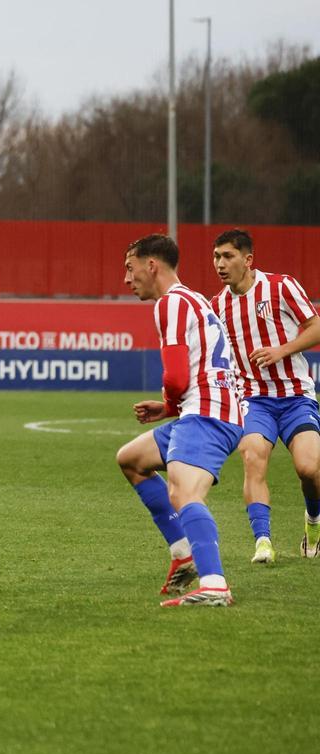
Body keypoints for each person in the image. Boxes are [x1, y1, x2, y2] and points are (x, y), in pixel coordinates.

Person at [115, 234, 243, 607]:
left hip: (207, 413)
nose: (127, 278)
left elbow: (174, 377)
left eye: (129, 267)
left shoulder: (170, 304)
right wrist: (170, 408)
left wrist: (172, 399)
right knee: (132, 459)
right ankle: (183, 551)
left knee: (184, 491)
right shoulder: (195, 299)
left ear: (151, 265)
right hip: (210, 408)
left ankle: (215, 584)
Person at [209, 228, 320, 563]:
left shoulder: (280, 286)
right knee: (253, 457)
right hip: (254, 399)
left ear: (248, 259)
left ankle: (313, 522)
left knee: (309, 469)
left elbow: (315, 326)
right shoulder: (218, 306)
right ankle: (263, 542)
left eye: (228, 256)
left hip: (296, 395)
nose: (220, 264)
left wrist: (281, 350)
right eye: (216, 257)